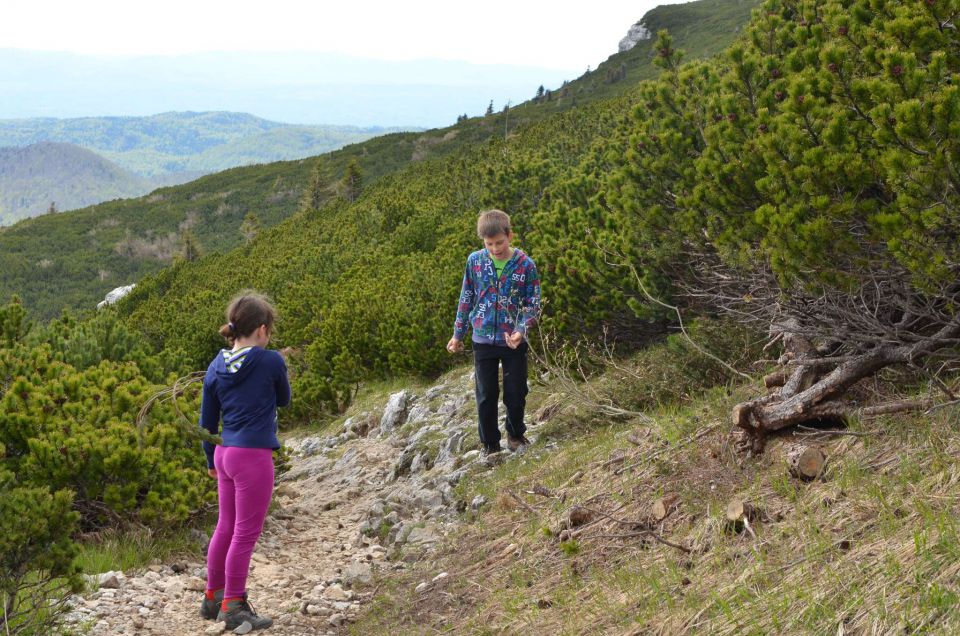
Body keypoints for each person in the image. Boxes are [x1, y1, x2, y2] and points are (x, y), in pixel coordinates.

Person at [198, 292, 290, 631]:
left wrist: (210, 460)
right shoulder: (270, 361)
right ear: (262, 330)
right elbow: (285, 399)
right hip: (253, 455)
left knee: (225, 526)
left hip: (224, 454)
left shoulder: (215, 365)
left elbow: (206, 423)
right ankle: (234, 605)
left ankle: (213, 597)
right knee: (245, 533)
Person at [447, 209, 541, 454]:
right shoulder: (474, 261)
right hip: (482, 339)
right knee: (486, 394)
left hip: (513, 341)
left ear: (510, 235)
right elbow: (466, 298)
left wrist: (521, 329)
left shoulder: (525, 265)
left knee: (516, 391)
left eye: (500, 242)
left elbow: (533, 303)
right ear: (483, 241)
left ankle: (515, 435)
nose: (495, 248)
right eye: (489, 244)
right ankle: (489, 444)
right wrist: (458, 334)